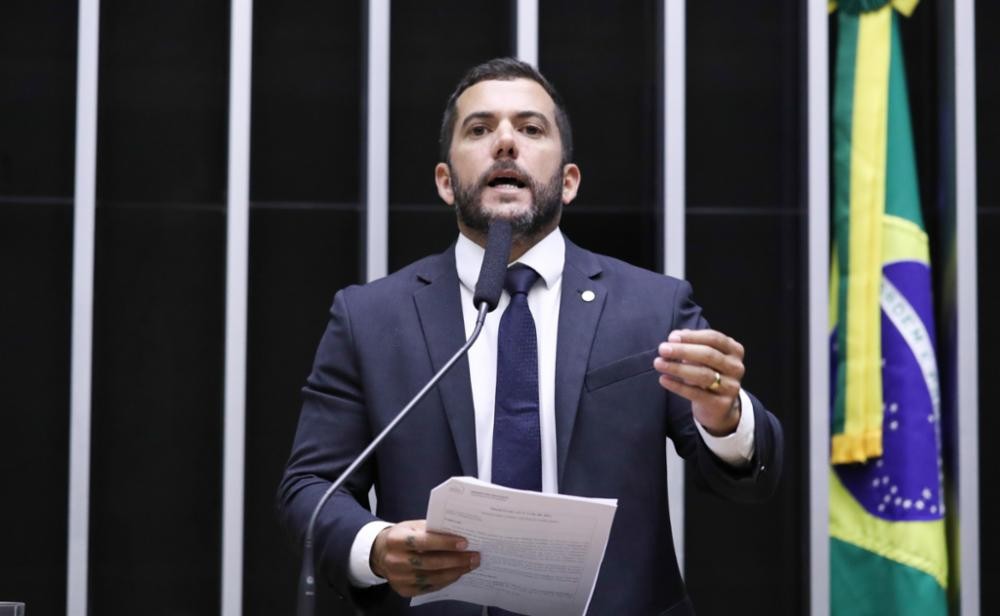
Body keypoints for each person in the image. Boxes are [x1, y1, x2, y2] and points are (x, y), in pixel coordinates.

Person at [278, 57, 783, 616]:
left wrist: (725, 416)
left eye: (531, 128)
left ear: (568, 182)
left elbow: (748, 477)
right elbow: (312, 487)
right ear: (445, 181)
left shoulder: (652, 307)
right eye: (479, 129)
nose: (504, 142)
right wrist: (374, 548)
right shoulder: (369, 317)